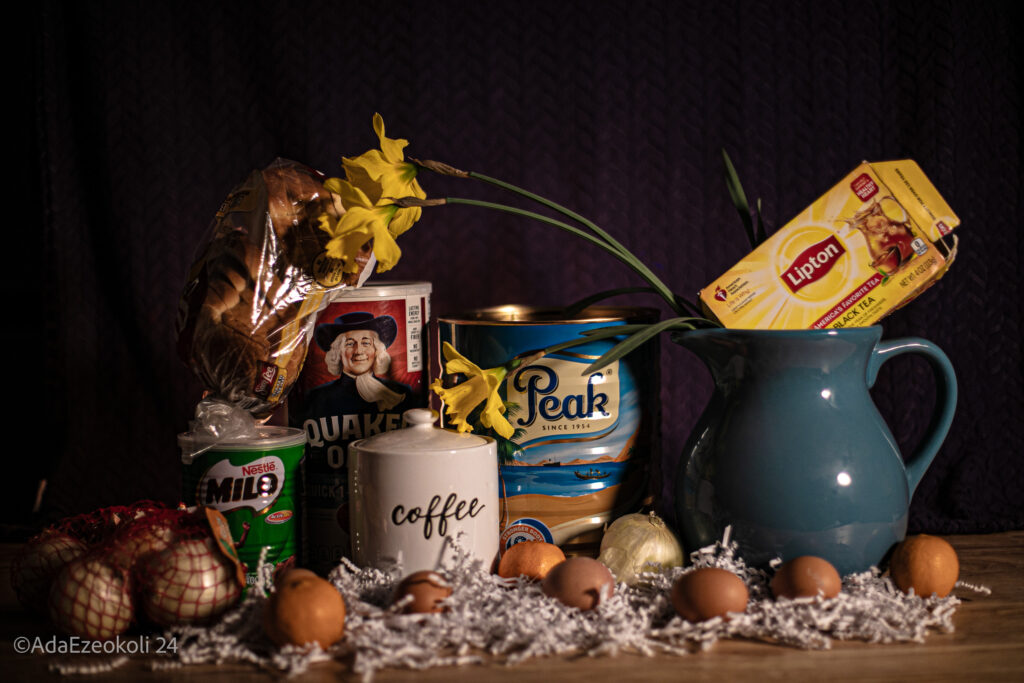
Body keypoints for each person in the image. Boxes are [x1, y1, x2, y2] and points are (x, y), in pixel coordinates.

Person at [303, 312, 414, 417]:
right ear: (338, 352)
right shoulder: (318, 398)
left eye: (366, 343)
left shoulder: (401, 393)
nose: (358, 351)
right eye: (350, 344)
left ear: (376, 350)